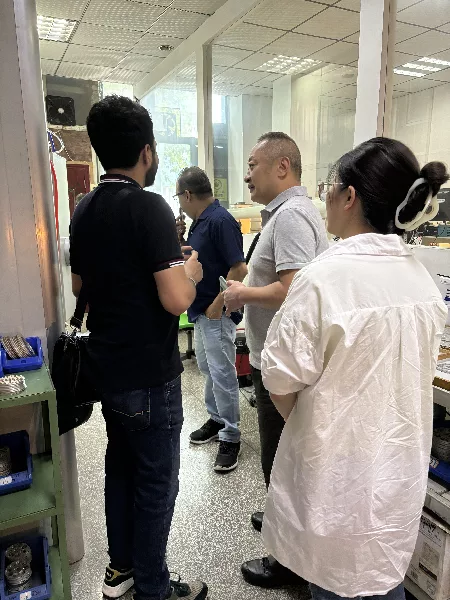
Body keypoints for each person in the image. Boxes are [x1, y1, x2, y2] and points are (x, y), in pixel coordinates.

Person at [260, 137, 449, 600]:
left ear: (349, 197)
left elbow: (279, 378)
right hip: (396, 473)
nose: (324, 194)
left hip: (336, 479)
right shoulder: (421, 280)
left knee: (336, 581)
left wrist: (314, 424)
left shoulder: (323, 279)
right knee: (384, 581)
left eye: (330, 185)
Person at [70, 96, 208, 600]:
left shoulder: (84, 208)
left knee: (121, 471)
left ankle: (121, 571)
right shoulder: (149, 207)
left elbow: (81, 285)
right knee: (157, 484)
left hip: (107, 370)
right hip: (150, 375)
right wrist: (189, 271)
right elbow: (176, 300)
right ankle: (153, 588)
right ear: (147, 151)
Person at [223, 131, 328, 587]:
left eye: (253, 165)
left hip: (283, 368)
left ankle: (287, 562)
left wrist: (242, 294)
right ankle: (282, 525)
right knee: (284, 459)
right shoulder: (286, 215)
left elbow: (293, 289)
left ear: (282, 166)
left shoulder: (291, 217)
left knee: (281, 463)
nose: (247, 175)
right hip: (278, 360)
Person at [176, 166, 247, 472]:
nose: (180, 203)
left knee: (222, 373)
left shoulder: (220, 220)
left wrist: (218, 304)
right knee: (208, 368)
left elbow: (239, 268)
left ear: (187, 195)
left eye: (179, 197)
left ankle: (231, 435)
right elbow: (198, 260)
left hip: (216, 312)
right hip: (202, 312)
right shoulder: (201, 222)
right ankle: (217, 419)